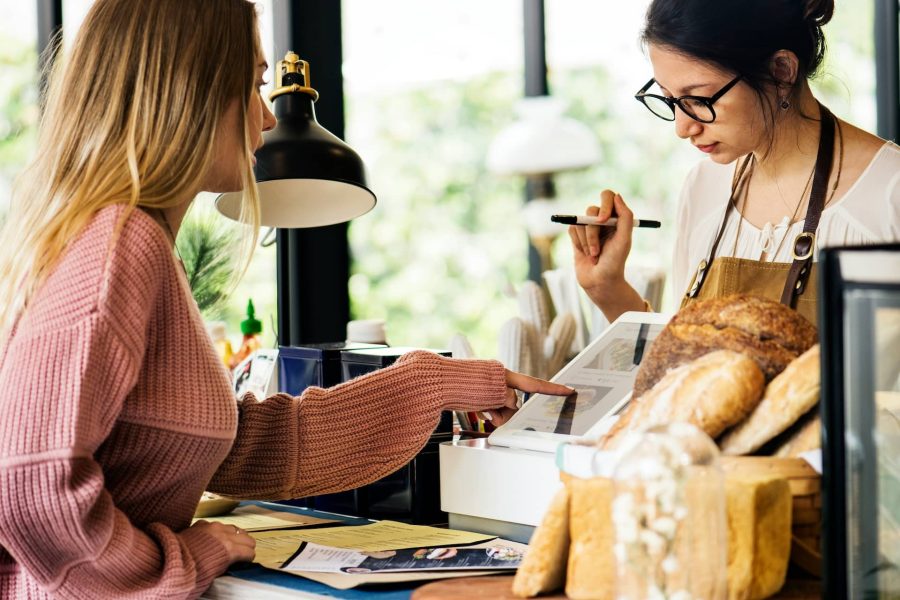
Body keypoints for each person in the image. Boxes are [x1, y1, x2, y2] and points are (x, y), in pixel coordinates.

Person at [0, 1, 573, 598]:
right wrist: (178, 562)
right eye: (252, 84)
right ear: (187, 90)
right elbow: (31, 487)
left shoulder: (120, 240)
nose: (267, 117)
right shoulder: (119, 244)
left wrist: (429, 385)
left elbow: (228, 447)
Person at [570, 0, 899, 325]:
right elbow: (681, 367)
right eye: (670, 100)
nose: (682, 128)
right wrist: (608, 289)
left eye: (698, 99)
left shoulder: (890, 192)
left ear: (781, 71)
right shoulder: (703, 186)